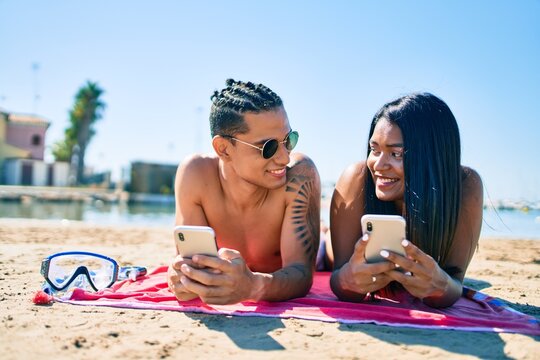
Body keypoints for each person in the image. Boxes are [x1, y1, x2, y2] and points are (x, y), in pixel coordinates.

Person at [167, 79, 321, 305]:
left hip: (318, 251)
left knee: (331, 255)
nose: (284, 157)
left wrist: (252, 287)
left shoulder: (299, 175)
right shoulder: (197, 175)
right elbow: (191, 261)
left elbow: (301, 274)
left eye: (289, 140)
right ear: (224, 149)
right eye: (268, 147)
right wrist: (184, 277)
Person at [329, 93, 483, 308]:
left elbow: (455, 282)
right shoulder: (356, 177)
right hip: (326, 249)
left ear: (430, 157)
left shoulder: (464, 186)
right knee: (322, 248)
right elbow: (339, 282)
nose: (379, 165)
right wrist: (347, 280)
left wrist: (440, 286)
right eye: (374, 150)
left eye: (397, 154)